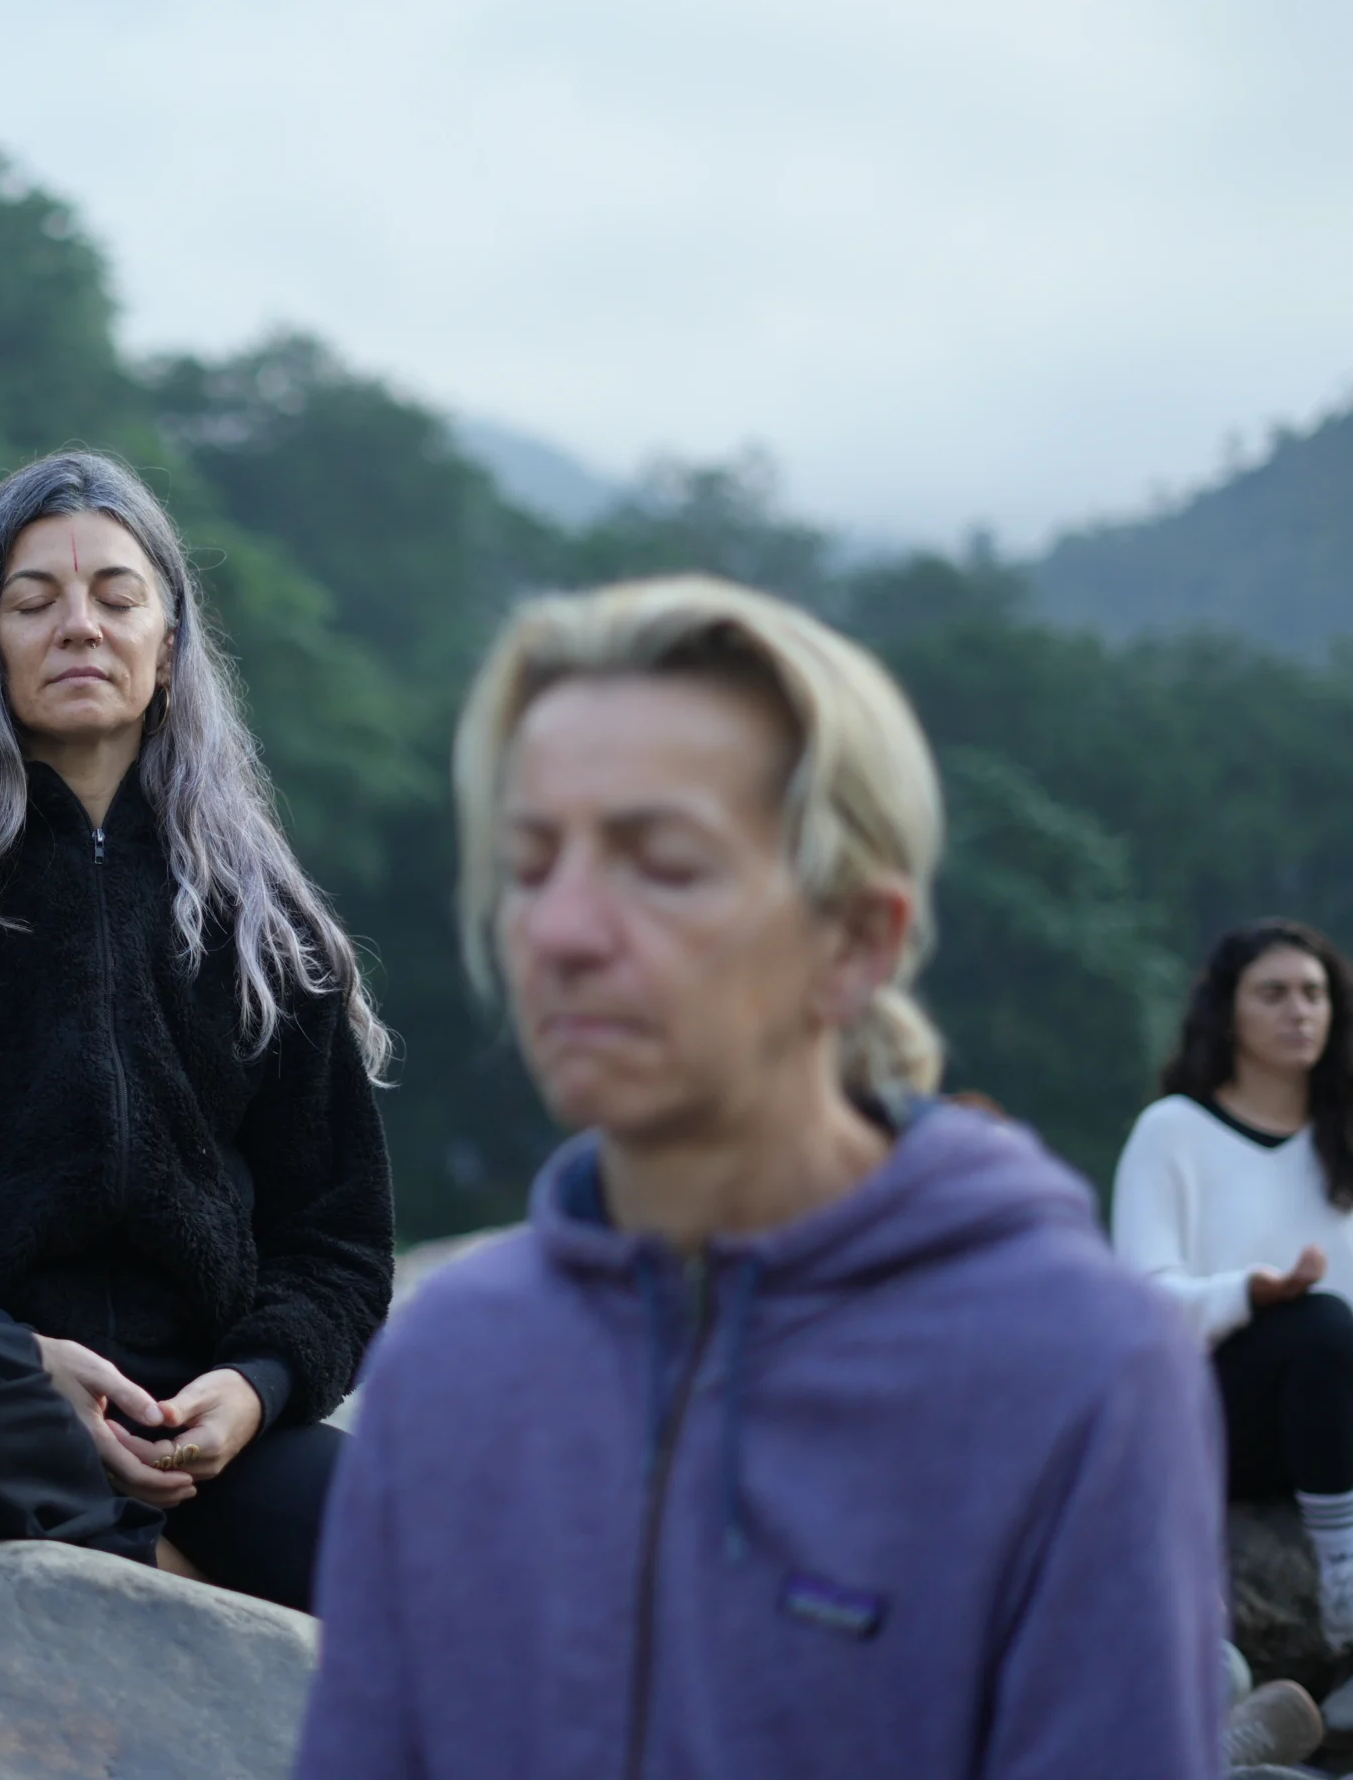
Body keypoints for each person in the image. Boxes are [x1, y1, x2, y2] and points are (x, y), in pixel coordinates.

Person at [296, 575, 1225, 1777]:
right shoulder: (448, 1368)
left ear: (855, 942)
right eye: (531, 865)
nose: (562, 929)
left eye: (661, 864)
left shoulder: (1076, 1372)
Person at [0, 450, 394, 1612]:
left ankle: (142, 1551)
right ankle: (173, 1582)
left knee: (413, 1530)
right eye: (33, 600)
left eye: (116, 596)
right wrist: (19, 1357)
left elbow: (337, 1242)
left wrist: (251, 1385)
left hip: (194, 1434)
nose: (79, 627)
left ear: (169, 639)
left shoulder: (264, 922)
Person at [1111, 919, 1353, 1646]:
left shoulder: (1343, 1141)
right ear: (1227, 1012)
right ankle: (1345, 1588)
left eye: (1314, 994)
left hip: (1334, 1420)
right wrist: (1249, 1294)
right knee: (1318, 1327)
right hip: (1210, 1416)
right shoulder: (1172, 1133)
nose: (1299, 1011)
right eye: (1273, 994)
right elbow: (1138, 1314)